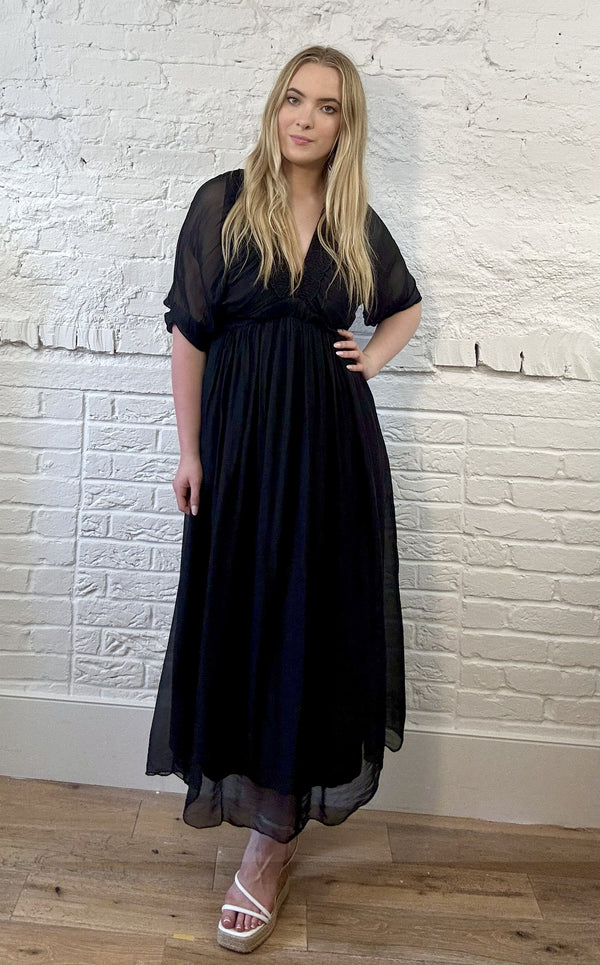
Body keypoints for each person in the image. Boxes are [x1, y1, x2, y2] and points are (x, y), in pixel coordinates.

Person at [145, 44, 422, 953]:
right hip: (238, 450)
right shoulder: (223, 204)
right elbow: (189, 334)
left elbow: (405, 306)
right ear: (275, 109)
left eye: (327, 106)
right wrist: (190, 452)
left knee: (314, 622)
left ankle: (271, 844)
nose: (305, 117)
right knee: (245, 614)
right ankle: (259, 812)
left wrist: (369, 359)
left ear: (346, 125)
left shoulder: (354, 223)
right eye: (294, 99)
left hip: (332, 452)